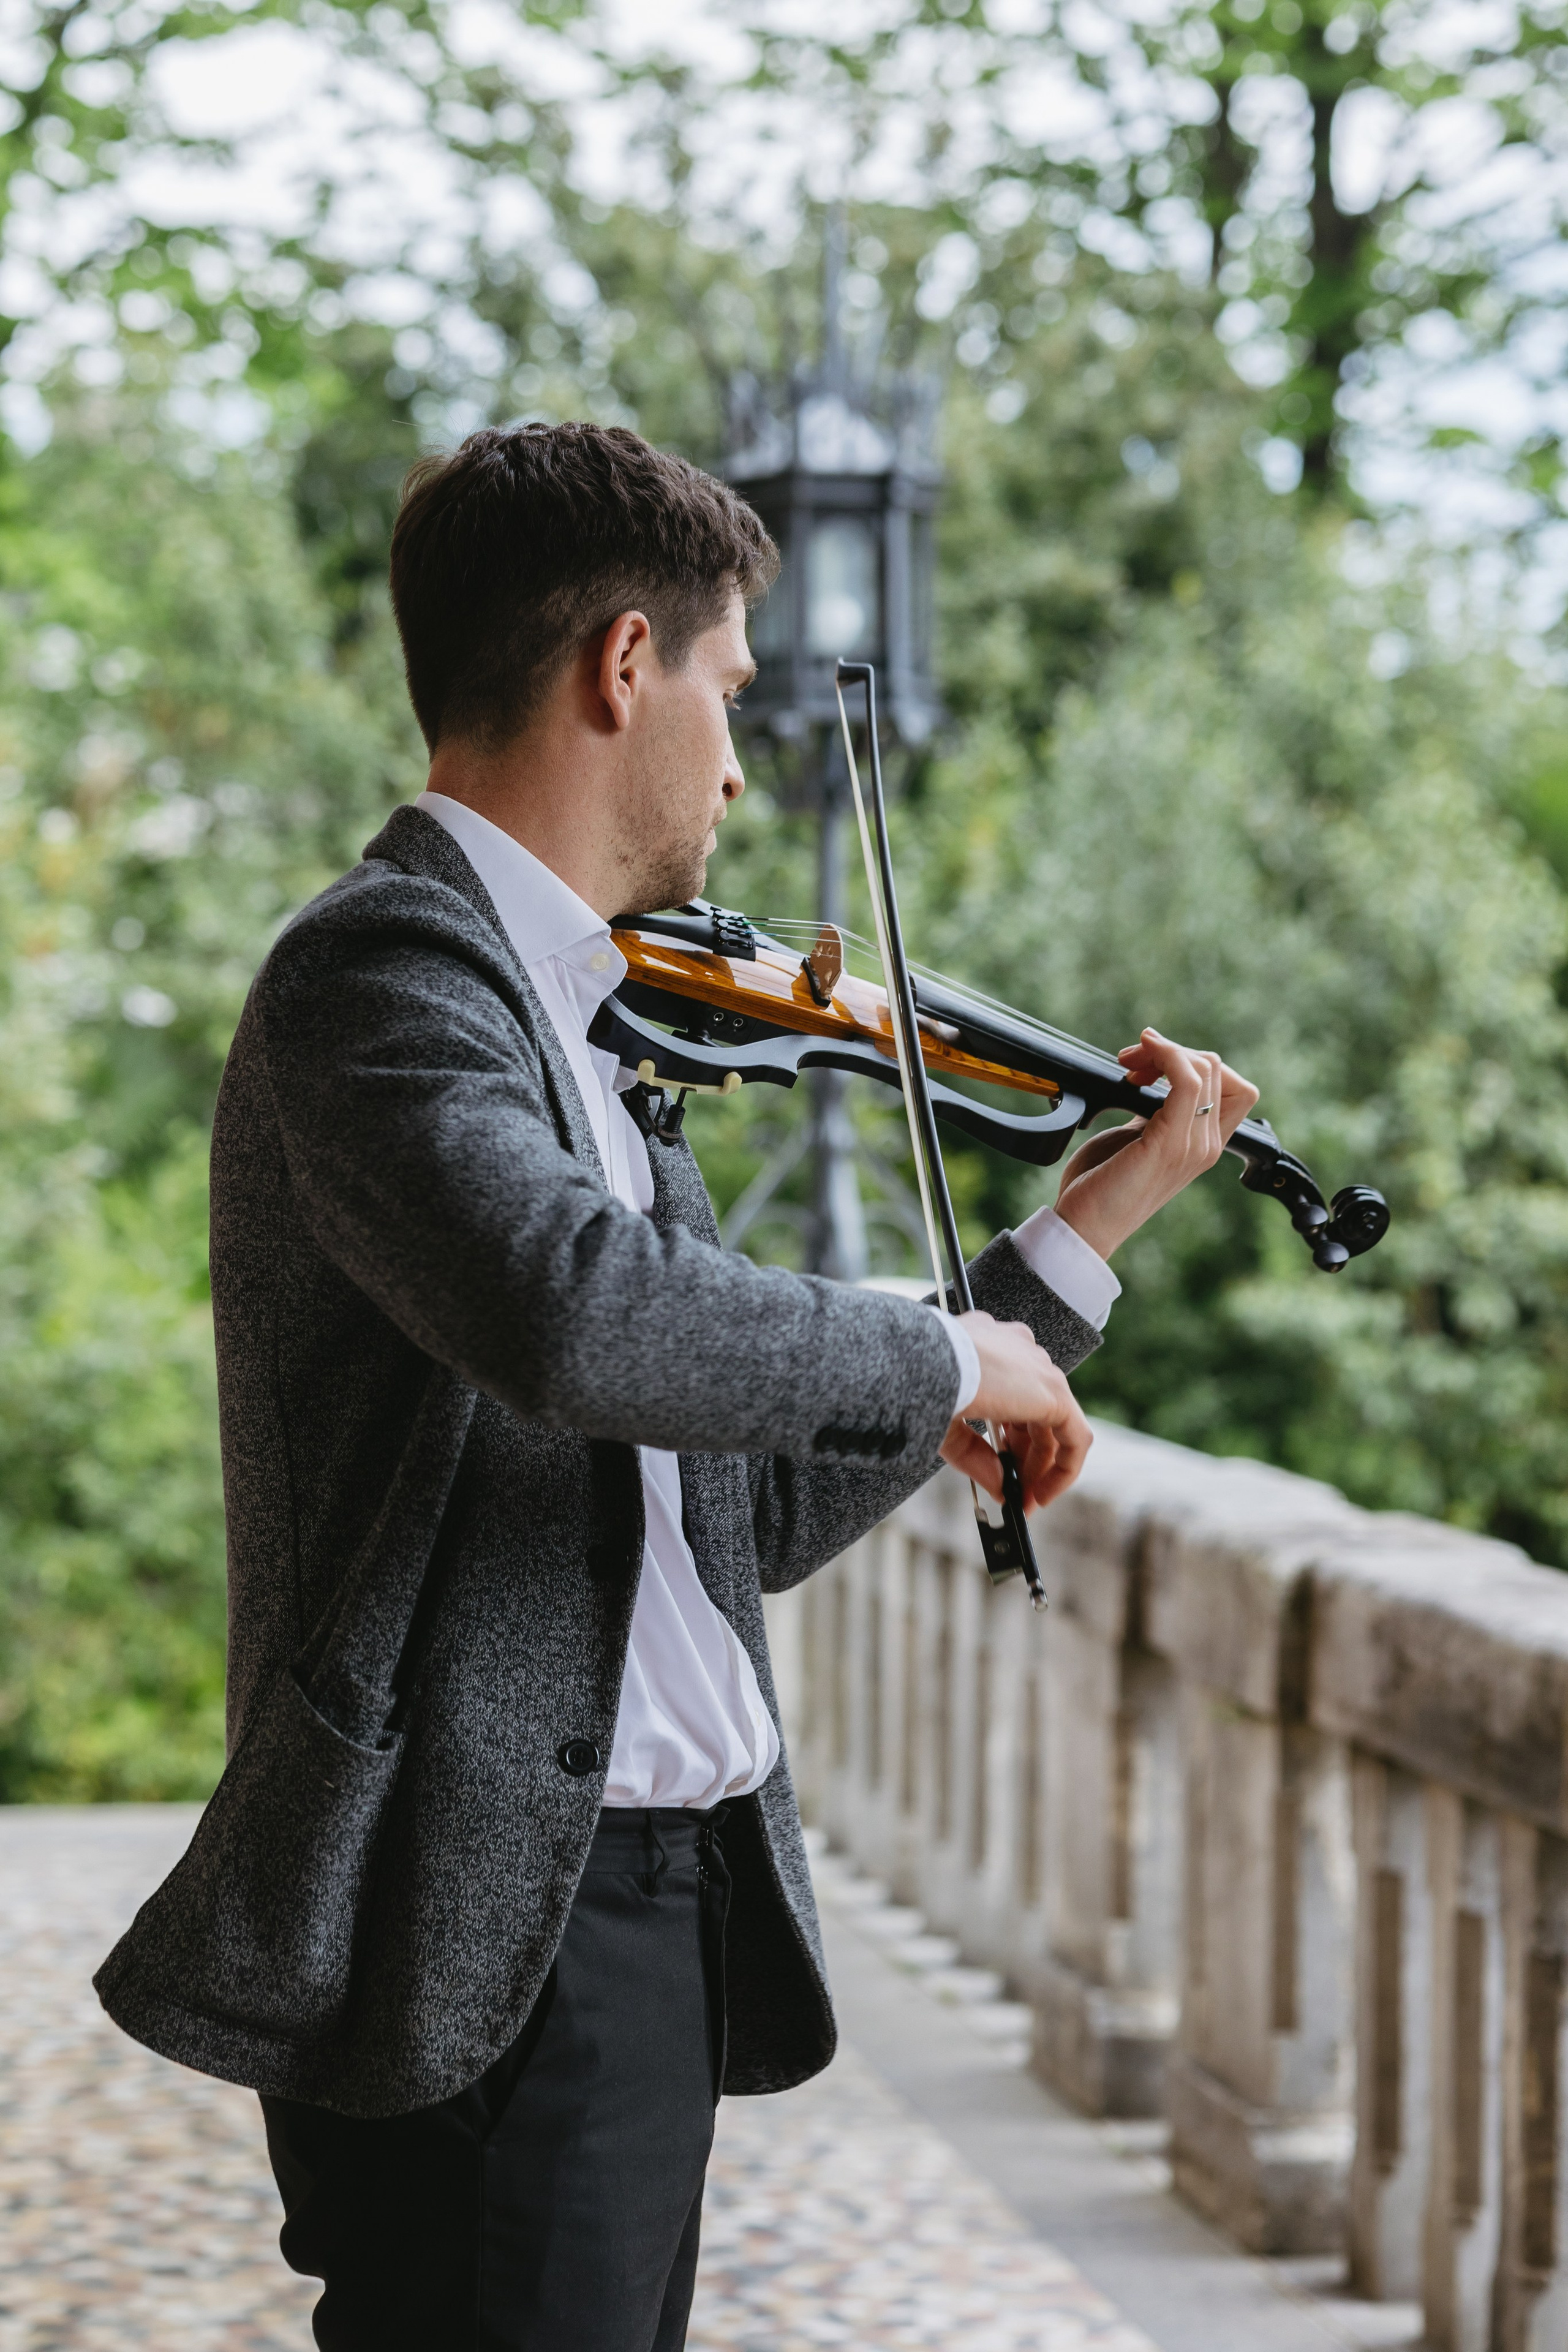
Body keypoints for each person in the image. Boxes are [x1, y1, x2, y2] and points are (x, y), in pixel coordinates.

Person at [95, 421, 1259, 2351]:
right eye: (727, 684)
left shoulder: (585, 1032)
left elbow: (743, 1506)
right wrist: (939, 1350)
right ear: (624, 664)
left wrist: (1075, 1243)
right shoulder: (382, 979)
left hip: (638, 1911)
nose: (736, 758)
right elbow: (582, 1316)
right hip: (487, 1917)